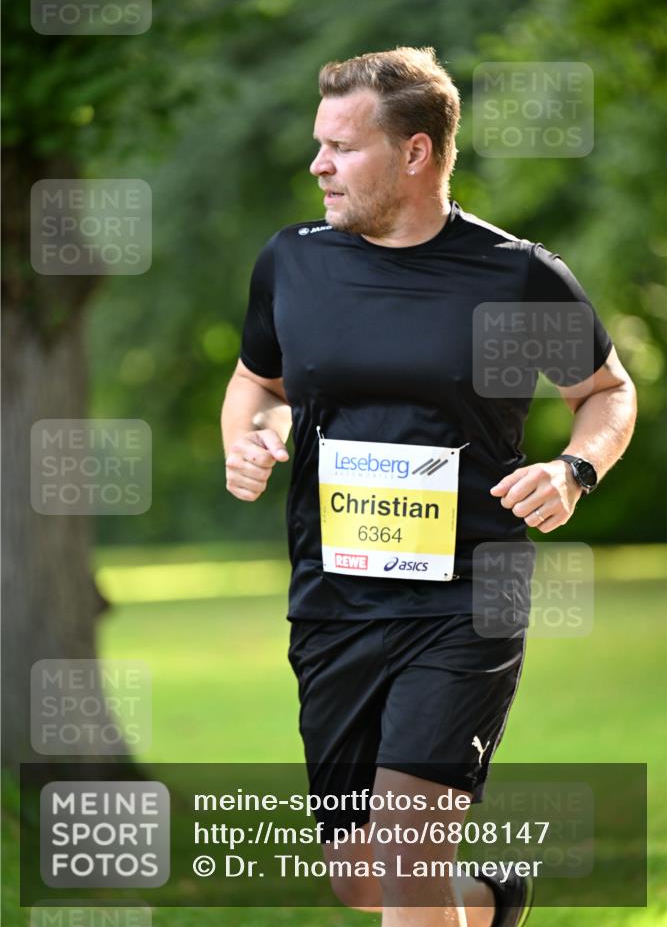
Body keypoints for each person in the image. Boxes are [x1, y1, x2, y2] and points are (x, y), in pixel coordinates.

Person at [221, 47, 637, 927]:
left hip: (466, 598)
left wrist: (573, 468)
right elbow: (258, 381)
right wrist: (250, 438)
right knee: (358, 877)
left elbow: (606, 392)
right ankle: (492, 901)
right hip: (333, 597)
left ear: (414, 152)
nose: (317, 165)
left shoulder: (512, 274)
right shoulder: (293, 261)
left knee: (408, 859)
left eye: (341, 147)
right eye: (319, 144)